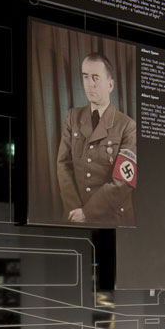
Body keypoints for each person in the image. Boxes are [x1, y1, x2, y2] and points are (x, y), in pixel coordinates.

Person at [56, 52, 137, 226]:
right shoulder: (73, 117)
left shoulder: (127, 126)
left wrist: (87, 213)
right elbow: (63, 165)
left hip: (112, 218)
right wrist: (76, 211)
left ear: (110, 85)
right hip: (75, 216)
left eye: (96, 78)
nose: (90, 84)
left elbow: (123, 181)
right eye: (85, 77)